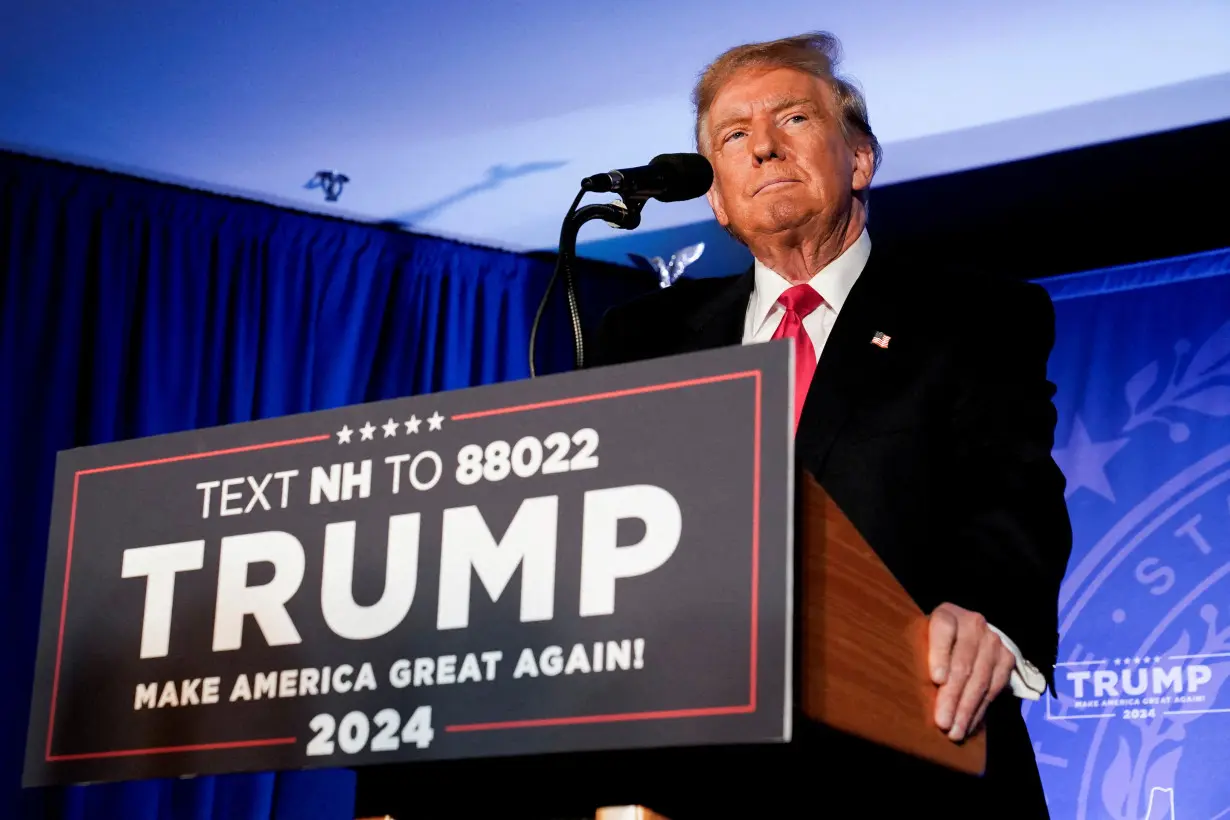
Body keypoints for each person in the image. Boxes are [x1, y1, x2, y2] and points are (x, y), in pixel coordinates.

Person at [591, 32, 1072, 817]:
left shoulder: (974, 315)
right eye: (733, 137)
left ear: (859, 159)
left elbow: (1011, 492)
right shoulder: (640, 340)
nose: (764, 149)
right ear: (715, 197)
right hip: (696, 773)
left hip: (910, 762)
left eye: (793, 121)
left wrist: (991, 620)